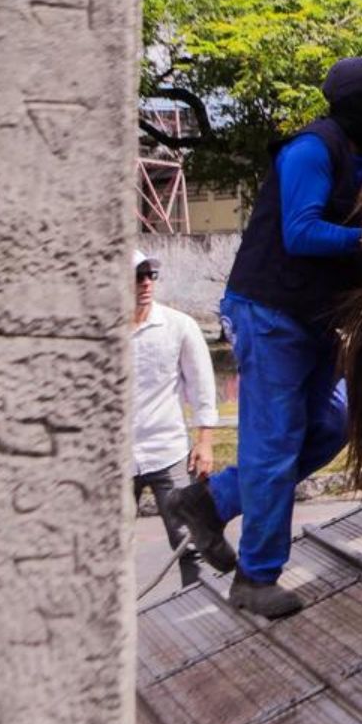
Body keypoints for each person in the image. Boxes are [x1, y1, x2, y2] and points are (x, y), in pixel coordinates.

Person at [163, 56, 362, 619]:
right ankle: (255, 577)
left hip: (316, 318)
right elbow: (300, 232)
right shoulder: (311, 150)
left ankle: (214, 499)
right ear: (353, 100)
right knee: (274, 446)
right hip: (271, 313)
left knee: (334, 422)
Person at [130, 249, 221, 589]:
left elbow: (202, 387)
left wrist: (205, 442)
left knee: (191, 543)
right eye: (137, 275)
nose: (146, 283)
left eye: (150, 275)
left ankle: (200, 612)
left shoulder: (179, 326)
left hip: (168, 452)